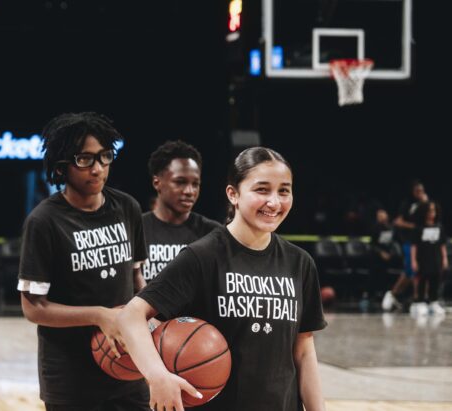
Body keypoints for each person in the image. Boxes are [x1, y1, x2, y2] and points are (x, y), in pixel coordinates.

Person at [118, 147, 327, 411]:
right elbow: (131, 315)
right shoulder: (203, 256)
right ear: (233, 194)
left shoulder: (300, 263)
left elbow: (304, 350)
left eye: (284, 190)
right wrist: (156, 375)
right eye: (262, 190)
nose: (274, 202)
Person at [18, 112, 150, 410]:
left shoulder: (127, 208)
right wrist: (99, 315)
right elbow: (33, 307)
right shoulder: (44, 221)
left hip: (129, 368)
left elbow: (138, 281)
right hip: (70, 379)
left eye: (104, 157)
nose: (98, 169)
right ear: (63, 166)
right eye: (85, 159)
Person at [142, 140, 221, 281]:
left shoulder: (213, 233)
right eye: (180, 182)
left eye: (195, 184)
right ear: (157, 183)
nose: (190, 191)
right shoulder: (136, 229)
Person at [382, 180, 428, 311]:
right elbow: (397, 221)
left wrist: (425, 202)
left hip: (422, 242)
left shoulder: (425, 204)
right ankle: (398, 294)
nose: (420, 193)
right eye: (417, 191)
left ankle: (414, 297)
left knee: (416, 271)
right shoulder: (407, 204)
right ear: (413, 192)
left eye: (422, 191)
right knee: (411, 269)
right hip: (409, 241)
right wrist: (413, 226)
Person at [410, 201, 448, 316]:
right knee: (422, 279)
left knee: (435, 279)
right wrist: (413, 260)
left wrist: (444, 258)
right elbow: (414, 245)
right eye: (430, 211)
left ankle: (433, 302)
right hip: (423, 258)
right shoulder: (419, 228)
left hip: (435, 257)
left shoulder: (439, 227)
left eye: (434, 211)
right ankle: (420, 302)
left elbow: (442, 244)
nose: (432, 213)